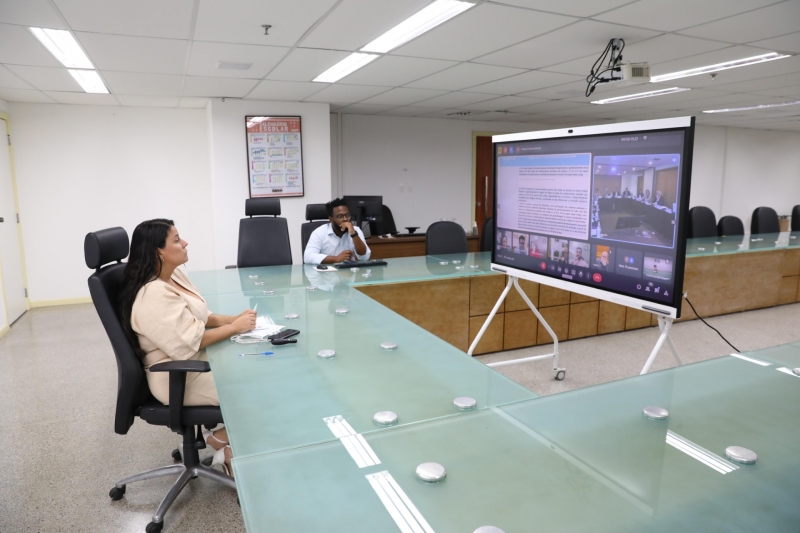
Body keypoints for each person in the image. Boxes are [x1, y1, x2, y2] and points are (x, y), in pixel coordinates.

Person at [119, 219, 257, 478]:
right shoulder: (153, 295)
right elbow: (188, 342)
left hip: (191, 361)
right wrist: (235, 328)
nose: (185, 243)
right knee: (254, 386)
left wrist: (232, 319)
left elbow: (200, 315)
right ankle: (224, 444)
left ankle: (219, 439)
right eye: (176, 239)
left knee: (255, 366)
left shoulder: (174, 275)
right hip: (177, 375)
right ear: (158, 251)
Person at [304, 198, 371, 265]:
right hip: (327, 274)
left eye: (347, 215)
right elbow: (308, 257)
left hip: (349, 273)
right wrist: (336, 259)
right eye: (340, 216)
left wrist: (353, 234)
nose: (345, 219)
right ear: (331, 219)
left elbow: (364, 257)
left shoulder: (355, 231)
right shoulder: (319, 233)